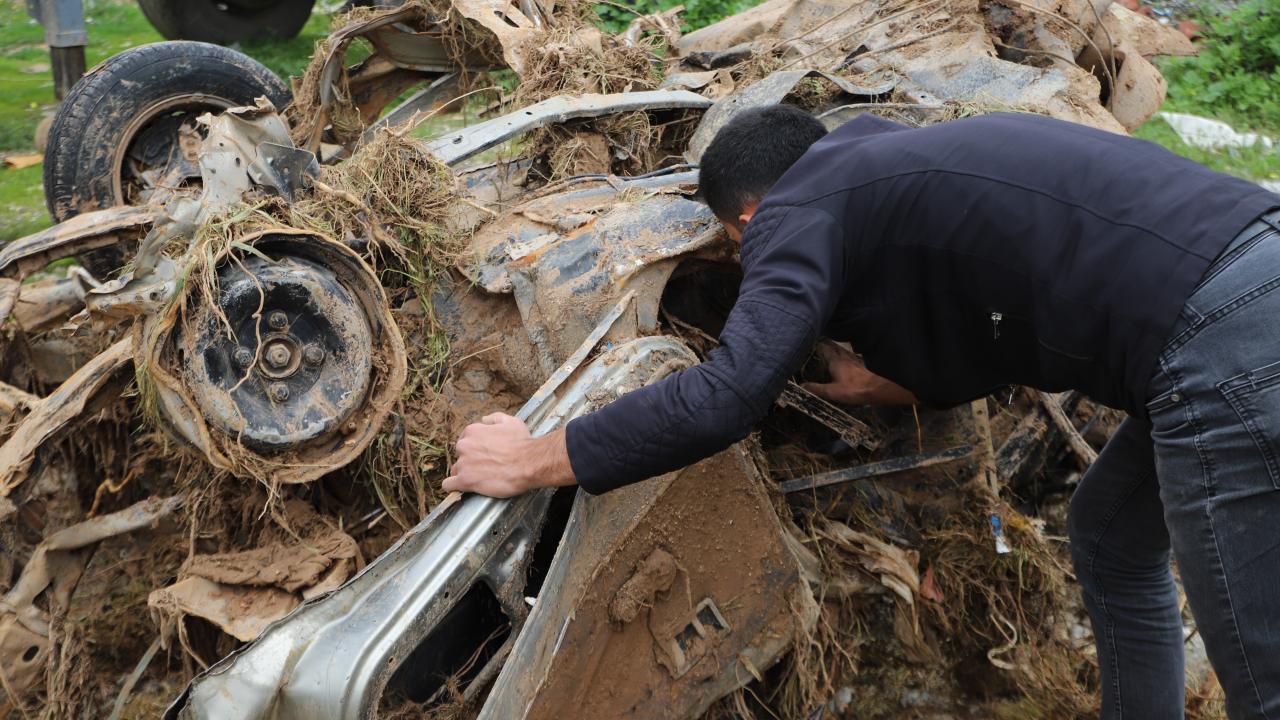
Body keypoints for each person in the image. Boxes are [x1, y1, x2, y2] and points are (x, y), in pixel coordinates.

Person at [443, 104, 1280, 718]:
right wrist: (901, 382)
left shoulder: (794, 210)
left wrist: (534, 457)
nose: (752, 259)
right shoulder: (890, 162)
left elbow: (729, 394)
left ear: (747, 218)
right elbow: (994, 312)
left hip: (1220, 345)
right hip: (1249, 281)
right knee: (1107, 535)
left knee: (1258, 672)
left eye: (742, 249)